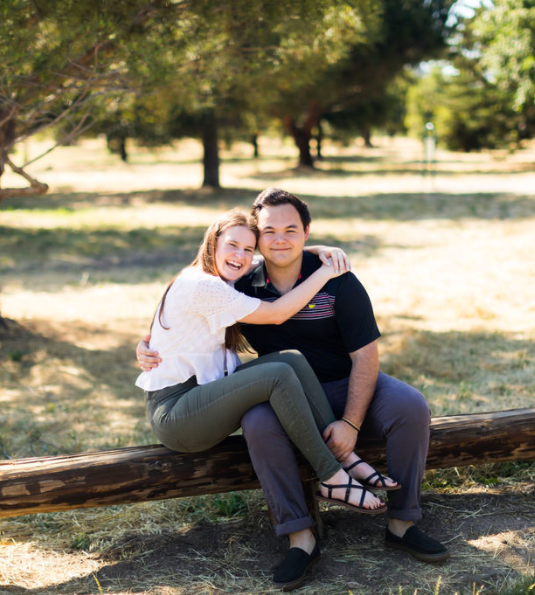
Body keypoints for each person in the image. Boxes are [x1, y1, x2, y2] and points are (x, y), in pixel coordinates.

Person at [138, 189, 449, 589]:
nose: (280, 239)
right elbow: (180, 309)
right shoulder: (239, 282)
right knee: (258, 421)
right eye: (269, 232)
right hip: (271, 392)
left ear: (306, 232)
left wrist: (351, 423)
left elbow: (366, 358)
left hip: (343, 382)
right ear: (256, 241)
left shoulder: (341, 282)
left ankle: (403, 523)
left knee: (411, 405)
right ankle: (300, 537)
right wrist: (144, 345)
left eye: (291, 230)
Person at [136, 207, 393, 530]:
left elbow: (274, 257)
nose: (240, 256)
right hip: (177, 415)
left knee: (290, 359)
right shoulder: (204, 286)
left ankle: (344, 456)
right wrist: (325, 272)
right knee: (277, 373)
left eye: (248, 249)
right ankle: (331, 476)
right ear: (212, 243)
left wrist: (316, 251)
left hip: (200, 397)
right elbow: (276, 313)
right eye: (232, 245)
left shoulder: (224, 278)